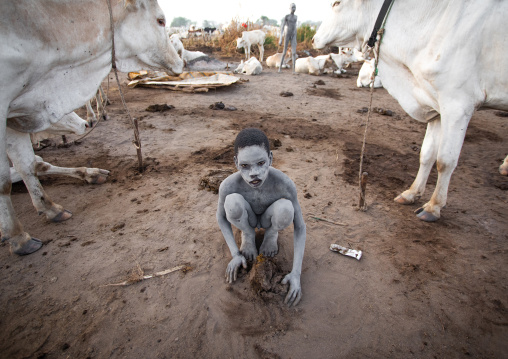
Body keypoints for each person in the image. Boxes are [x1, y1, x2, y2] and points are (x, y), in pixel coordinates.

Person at [216, 128, 306, 306]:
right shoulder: (228, 185)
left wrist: (296, 272)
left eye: (261, 163)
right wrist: (235, 254)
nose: (254, 173)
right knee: (231, 202)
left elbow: (300, 227)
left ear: (270, 159)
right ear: (236, 163)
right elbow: (221, 218)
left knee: (287, 208)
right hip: (246, 220)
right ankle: (248, 235)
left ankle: (272, 234)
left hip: (268, 218)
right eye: (245, 166)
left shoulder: (284, 184)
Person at [279, 3, 298, 73]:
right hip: (287, 34)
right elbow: (282, 27)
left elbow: (295, 28)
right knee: (284, 52)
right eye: (292, 7)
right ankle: (280, 68)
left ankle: (294, 70)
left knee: (294, 52)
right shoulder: (287, 16)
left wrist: (295, 39)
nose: (294, 9)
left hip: (293, 35)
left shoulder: (296, 17)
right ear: (290, 8)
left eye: (295, 7)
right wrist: (280, 38)